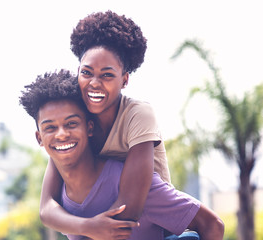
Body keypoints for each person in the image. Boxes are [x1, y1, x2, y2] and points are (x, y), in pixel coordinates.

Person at [19, 69, 224, 240]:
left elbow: (213, 225)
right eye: (50, 128)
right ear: (39, 138)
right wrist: (89, 227)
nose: (62, 134)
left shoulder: (132, 184)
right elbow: (45, 211)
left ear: (89, 128)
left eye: (71, 124)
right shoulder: (59, 195)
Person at [40, 10, 172, 238]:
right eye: (87, 73)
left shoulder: (138, 115)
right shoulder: (73, 123)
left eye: (107, 75)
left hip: (152, 228)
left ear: (125, 79)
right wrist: (85, 227)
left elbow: (129, 207)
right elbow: (46, 207)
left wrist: (88, 230)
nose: (94, 83)